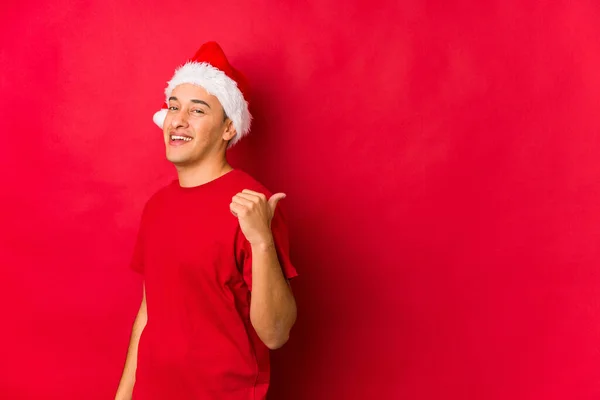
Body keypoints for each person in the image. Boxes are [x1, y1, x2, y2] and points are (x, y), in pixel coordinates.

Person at [114, 41, 298, 400]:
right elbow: (150, 311)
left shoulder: (251, 204)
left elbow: (276, 334)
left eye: (197, 111)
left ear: (229, 128)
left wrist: (261, 241)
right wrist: (124, 395)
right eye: (173, 107)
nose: (178, 120)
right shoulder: (157, 206)